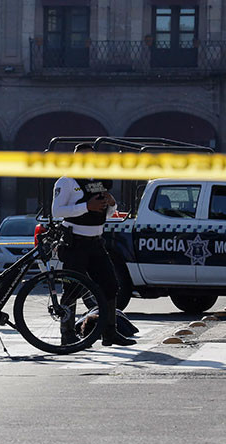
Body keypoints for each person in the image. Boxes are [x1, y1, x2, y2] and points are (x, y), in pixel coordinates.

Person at [52, 142, 136, 347]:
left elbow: (105, 212)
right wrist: (85, 206)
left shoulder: (98, 182)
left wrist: (111, 204)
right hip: (75, 243)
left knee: (110, 285)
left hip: (96, 242)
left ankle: (110, 333)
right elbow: (57, 211)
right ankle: (68, 334)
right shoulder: (66, 181)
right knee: (71, 288)